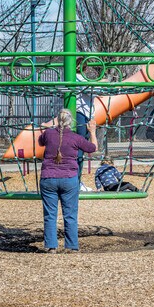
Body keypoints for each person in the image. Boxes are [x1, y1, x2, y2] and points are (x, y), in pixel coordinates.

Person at [38, 108, 97, 253]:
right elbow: (93, 148)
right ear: (71, 122)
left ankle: (51, 246)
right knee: (70, 214)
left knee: (50, 214)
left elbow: (40, 141)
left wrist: (47, 127)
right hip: (69, 179)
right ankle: (71, 246)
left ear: (57, 120)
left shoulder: (49, 134)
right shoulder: (75, 138)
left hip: (48, 177)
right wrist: (93, 132)